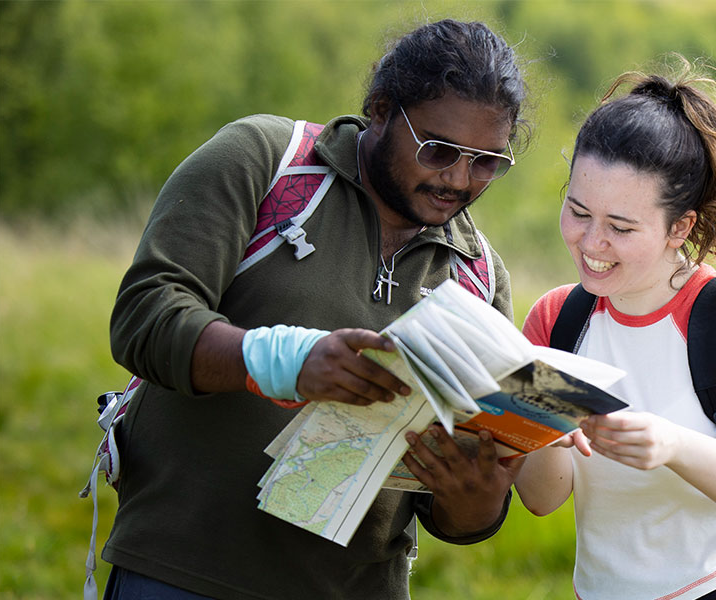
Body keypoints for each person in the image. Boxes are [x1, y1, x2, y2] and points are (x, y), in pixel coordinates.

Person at [103, 19, 528, 599]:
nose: (458, 178)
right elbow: (145, 317)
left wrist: (475, 499)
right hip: (183, 573)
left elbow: (456, 519)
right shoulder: (265, 161)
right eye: (439, 148)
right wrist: (287, 361)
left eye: (486, 161)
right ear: (381, 109)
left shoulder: (477, 276)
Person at [514, 59, 716, 600]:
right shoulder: (555, 320)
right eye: (578, 211)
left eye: (621, 227)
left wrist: (672, 445)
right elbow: (542, 497)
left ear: (681, 227)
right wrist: (546, 426)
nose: (590, 242)